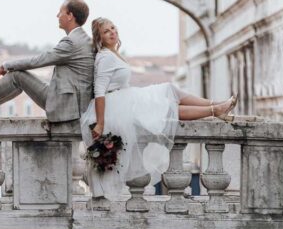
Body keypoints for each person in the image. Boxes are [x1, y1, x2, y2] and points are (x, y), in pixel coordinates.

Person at [81, 17, 237, 200]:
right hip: (115, 105)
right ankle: (215, 109)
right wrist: (100, 123)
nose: (112, 32)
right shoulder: (105, 57)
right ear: (99, 38)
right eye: (106, 31)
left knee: (170, 92)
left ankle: (215, 105)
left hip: (124, 98)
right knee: (168, 106)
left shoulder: (113, 53)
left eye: (113, 28)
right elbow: (99, 91)